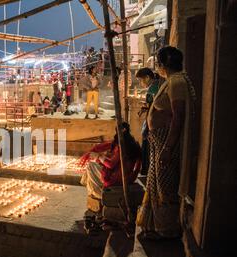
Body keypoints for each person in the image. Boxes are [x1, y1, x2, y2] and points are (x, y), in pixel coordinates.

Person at [136, 46, 196, 240]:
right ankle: (156, 225)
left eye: (158, 63)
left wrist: (168, 148)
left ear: (162, 64)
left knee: (165, 188)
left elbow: (178, 116)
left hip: (166, 144)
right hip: (159, 142)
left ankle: (167, 231)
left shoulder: (177, 82)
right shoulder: (171, 81)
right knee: (157, 185)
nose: (157, 67)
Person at [79, 122, 142, 202]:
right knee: (94, 167)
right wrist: (131, 178)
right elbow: (136, 167)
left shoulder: (122, 146)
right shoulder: (133, 144)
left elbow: (111, 164)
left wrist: (99, 156)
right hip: (128, 177)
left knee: (91, 166)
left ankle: (98, 193)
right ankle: (90, 187)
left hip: (117, 178)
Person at [135, 68, 164, 175]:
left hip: (153, 120)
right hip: (153, 118)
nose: (140, 83)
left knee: (148, 144)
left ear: (147, 77)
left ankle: (147, 169)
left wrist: (146, 107)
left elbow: (154, 105)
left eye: (140, 80)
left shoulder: (153, 88)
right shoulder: (157, 85)